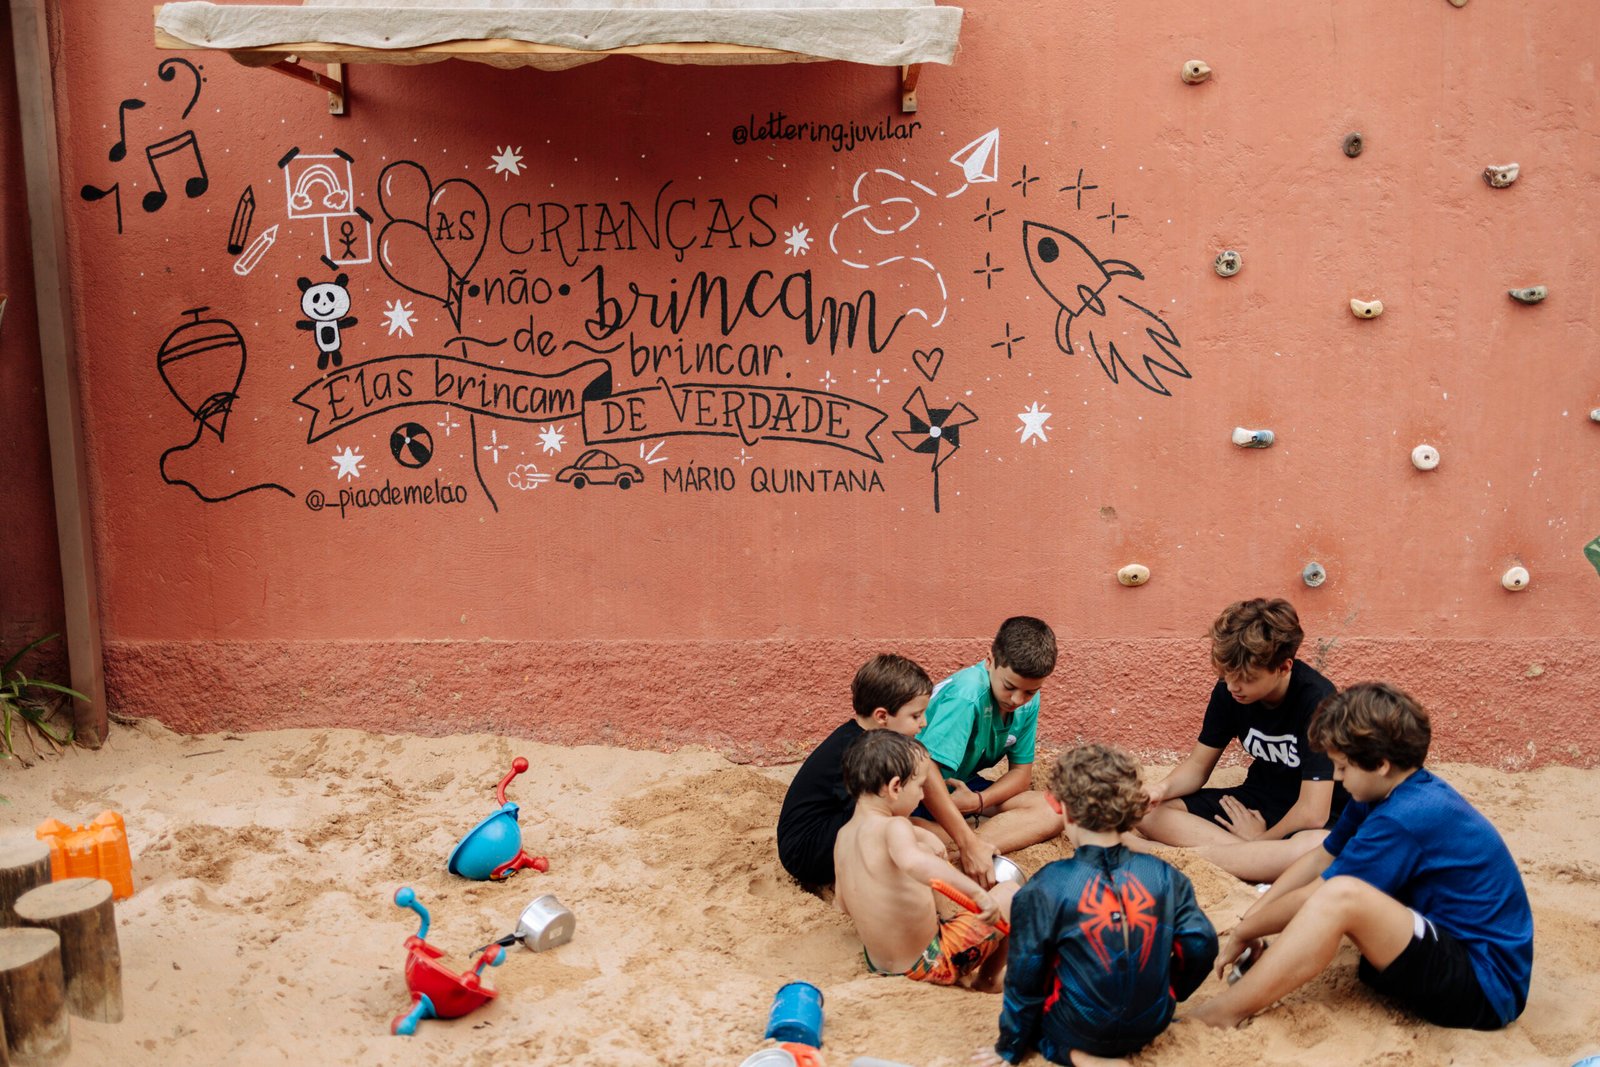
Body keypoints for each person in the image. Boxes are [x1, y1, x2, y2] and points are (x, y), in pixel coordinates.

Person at [1193, 682, 1534, 1031]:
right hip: (1437, 939)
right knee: (1335, 883)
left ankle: (1225, 1012)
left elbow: (1320, 893)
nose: (1337, 777)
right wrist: (1250, 920)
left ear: (1381, 764)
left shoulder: (1405, 816)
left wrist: (1245, 931)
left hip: (1484, 987)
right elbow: (1321, 858)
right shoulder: (1382, 792)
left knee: (1342, 895)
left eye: (1343, 767)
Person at [973, 745, 1216, 1066]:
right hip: (1151, 1022)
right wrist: (1171, 991)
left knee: (1041, 1020)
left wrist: (1010, 1045)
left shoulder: (1047, 884)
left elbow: (1026, 975)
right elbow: (1201, 945)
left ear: (1058, 805)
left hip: (1076, 1028)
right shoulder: (1166, 876)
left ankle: (1080, 1057)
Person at [1135, 598, 1347, 883]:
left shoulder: (1318, 701)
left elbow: (1313, 813)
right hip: (1256, 801)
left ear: (1284, 667)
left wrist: (1261, 840)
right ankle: (1253, 861)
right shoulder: (1230, 690)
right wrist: (1160, 788)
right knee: (1149, 813)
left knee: (1317, 847)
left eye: (1246, 678)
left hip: (1308, 816)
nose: (1234, 686)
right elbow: (1198, 767)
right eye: (1226, 675)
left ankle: (1165, 854)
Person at [834, 730, 1017, 990]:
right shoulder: (895, 826)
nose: (922, 796)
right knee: (1011, 894)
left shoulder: (843, 836)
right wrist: (977, 894)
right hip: (931, 962)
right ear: (895, 787)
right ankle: (988, 979)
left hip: (881, 967)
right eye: (920, 787)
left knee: (920, 855)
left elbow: (842, 902)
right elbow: (913, 863)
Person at [915, 616, 1062, 886]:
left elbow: (1021, 774)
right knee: (901, 831)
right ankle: (964, 842)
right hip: (915, 792)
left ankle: (962, 843)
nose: (1017, 700)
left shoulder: (1028, 700)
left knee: (1055, 810)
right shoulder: (968, 695)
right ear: (990, 660)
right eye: (1009, 687)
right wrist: (966, 835)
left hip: (963, 790)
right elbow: (925, 771)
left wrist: (978, 801)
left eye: (1030, 692)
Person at [777, 653, 933, 887]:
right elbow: (878, 815)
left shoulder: (862, 738)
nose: (924, 723)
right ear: (882, 716)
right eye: (916, 715)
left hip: (821, 834)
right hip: (807, 852)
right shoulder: (860, 752)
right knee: (895, 821)